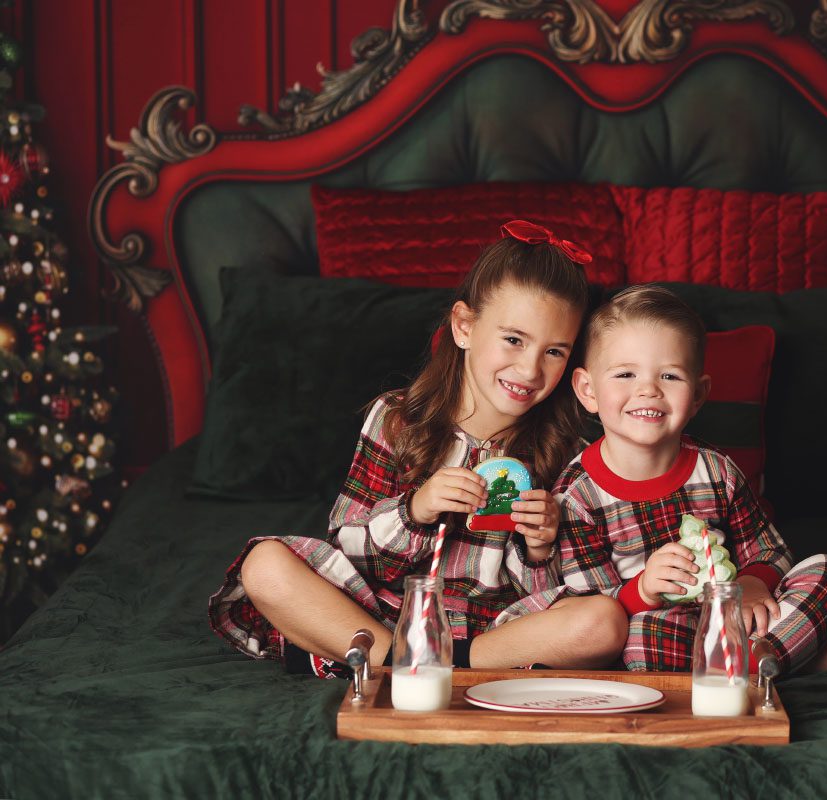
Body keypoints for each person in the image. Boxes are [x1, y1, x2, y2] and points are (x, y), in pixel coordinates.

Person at [208, 220, 627, 677]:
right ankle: (396, 658)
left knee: (603, 623)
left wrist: (541, 548)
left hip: (497, 631)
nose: (529, 369)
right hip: (388, 614)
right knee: (264, 565)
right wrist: (416, 510)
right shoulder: (399, 419)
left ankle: (423, 666)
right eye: (513, 339)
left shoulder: (571, 452)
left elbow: (572, 592)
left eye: (555, 352)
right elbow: (348, 545)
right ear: (464, 327)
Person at [554, 285, 827, 674]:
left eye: (670, 376)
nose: (647, 390)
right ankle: (794, 658)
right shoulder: (577, 495)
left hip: (737, 617)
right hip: (660, 630)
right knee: (640, 642)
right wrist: (643, 589)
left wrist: (754, 586)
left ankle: (764, 656)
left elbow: (767, 550)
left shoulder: (716, 470)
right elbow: (586, 609)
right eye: (625, 373)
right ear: (588, 391)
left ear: (697, 395)